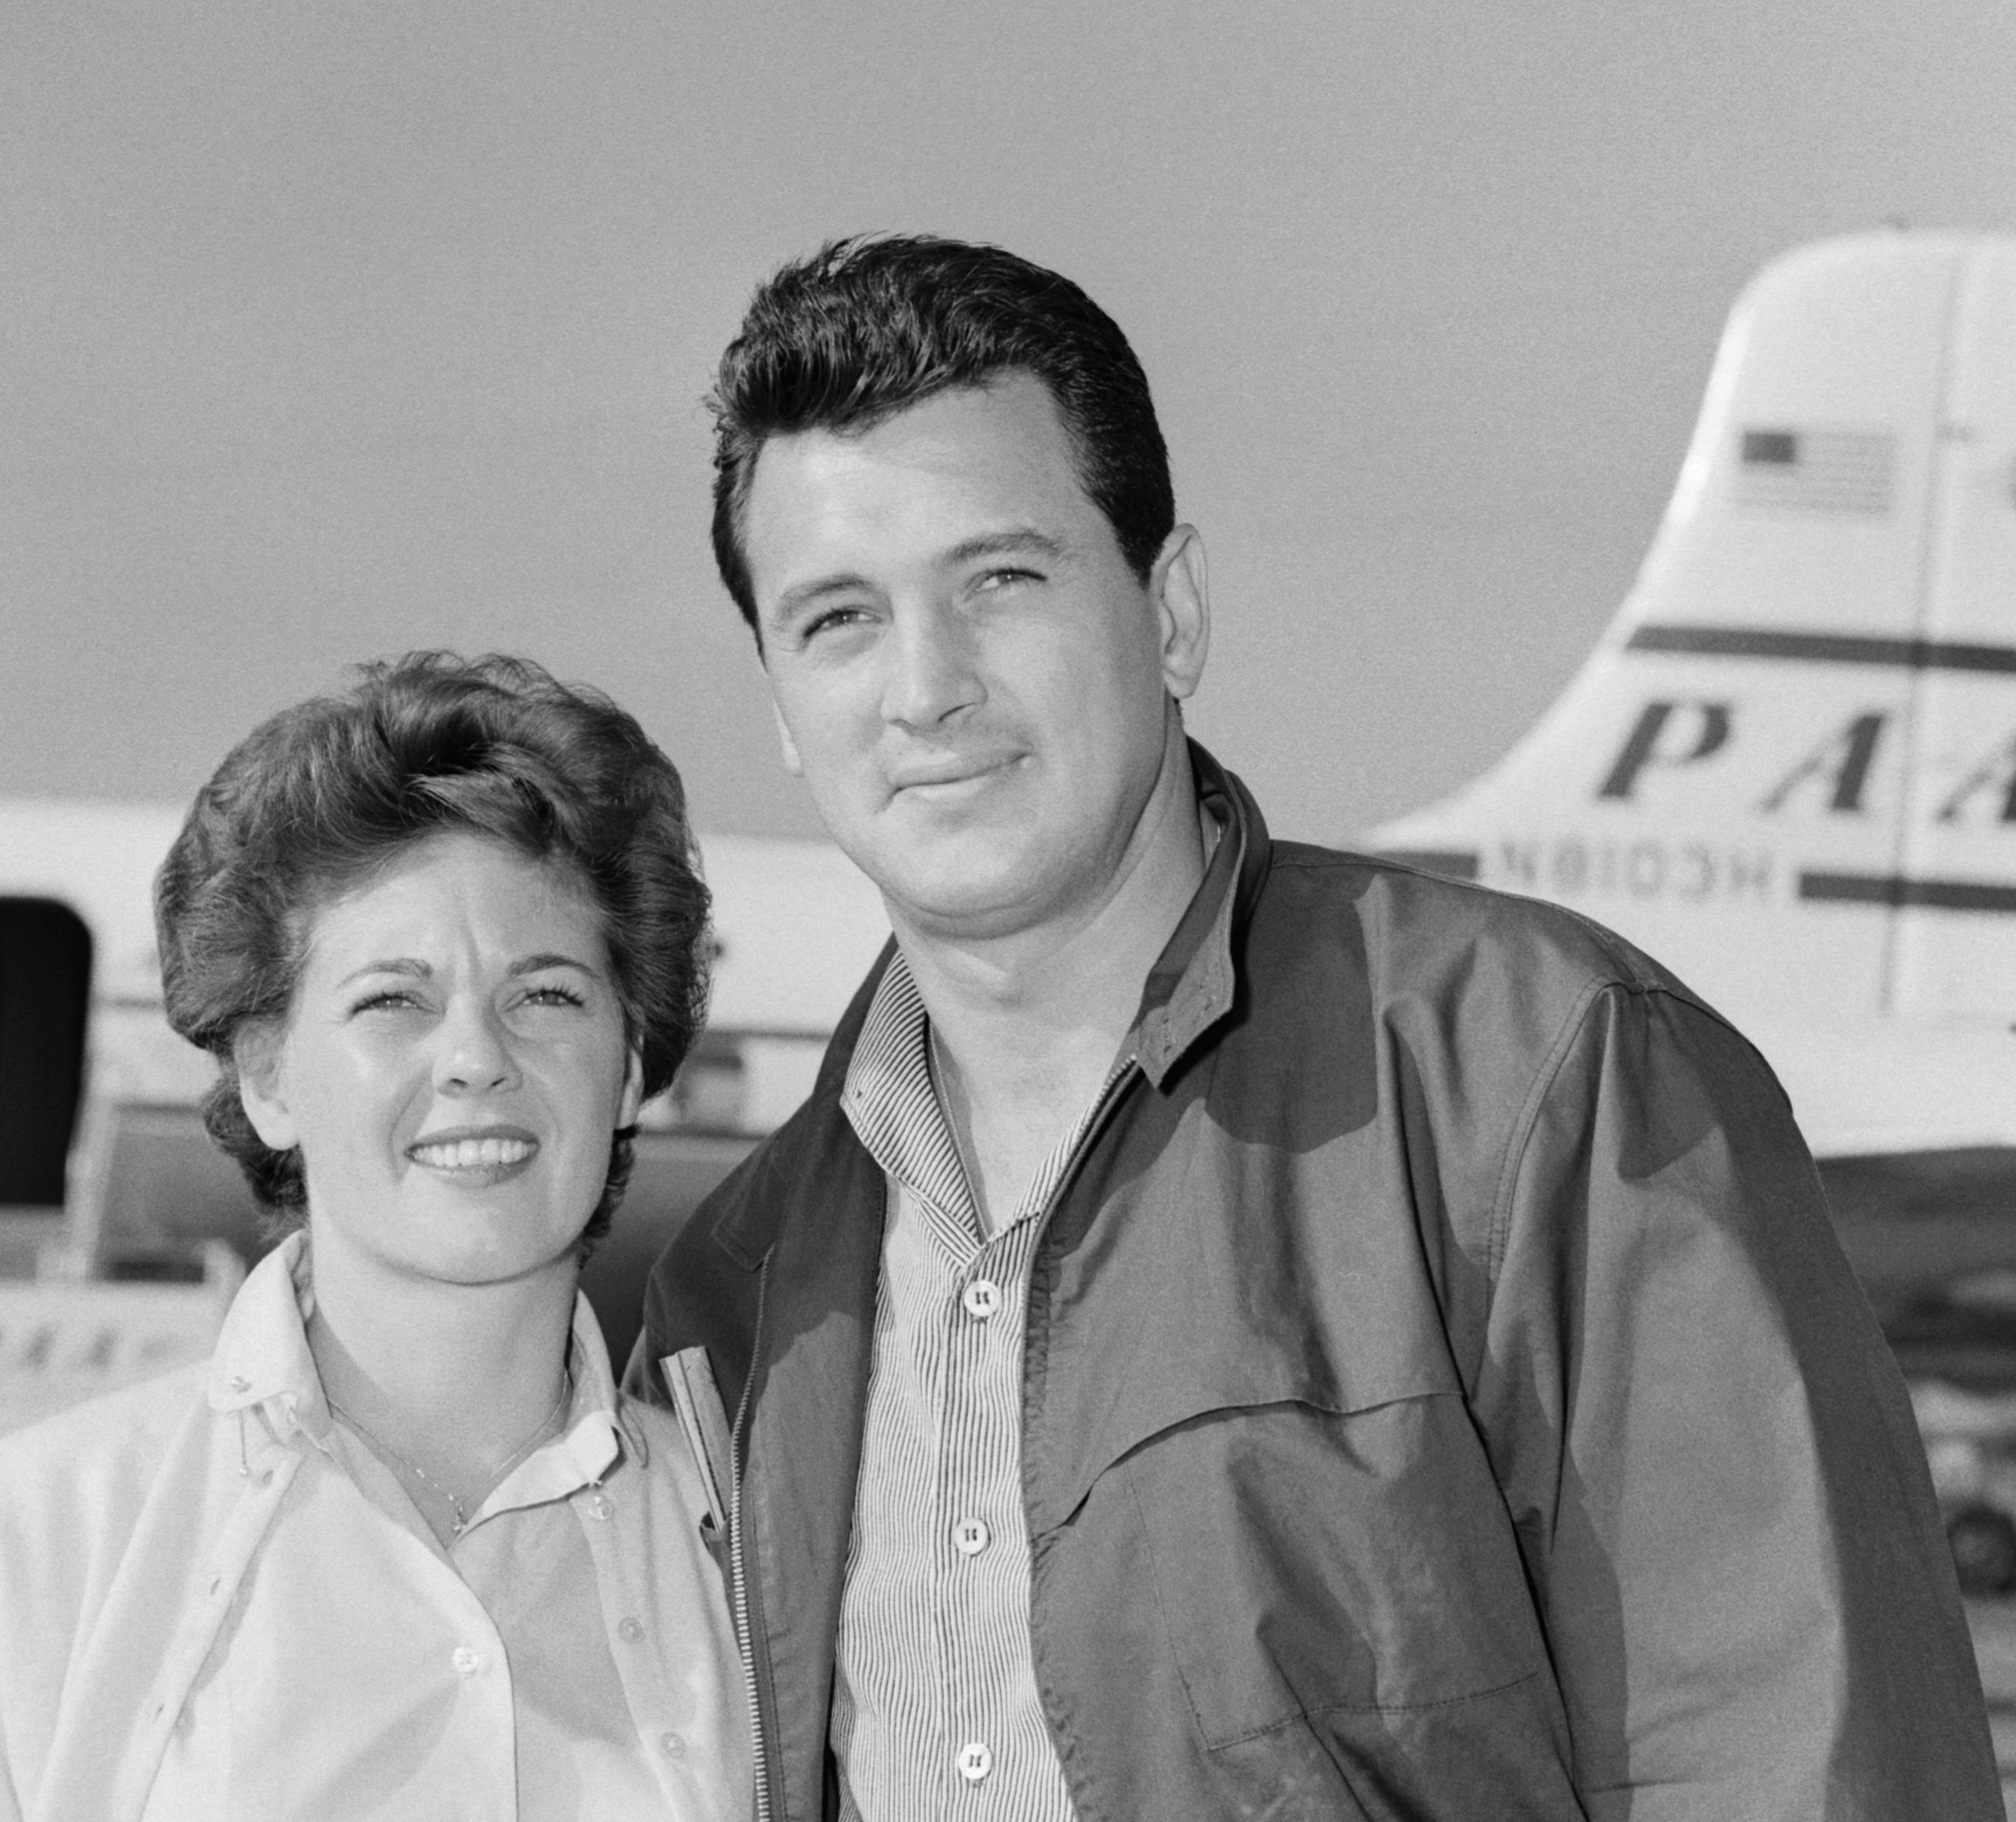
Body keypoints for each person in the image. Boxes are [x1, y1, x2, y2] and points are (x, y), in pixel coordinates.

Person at [632, 235, 2000, 1819]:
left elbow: (1804, 1762)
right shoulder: (733, 1291)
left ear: (1170, 613)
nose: (923, 685)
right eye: (836, 620)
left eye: (999, 577)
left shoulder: (1543, 1077)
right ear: (779, 712)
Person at [0, 651, 750, 1821]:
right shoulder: (26, 1544)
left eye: (547, 995)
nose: (475, 1056)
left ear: (627, 1068)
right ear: (266, 1078)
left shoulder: (751, 1564)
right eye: (391, 1001)